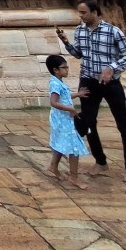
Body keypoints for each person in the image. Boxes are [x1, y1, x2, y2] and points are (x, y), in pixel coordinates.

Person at [56, 0, 126, 183]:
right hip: (88, 80)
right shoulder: (80, 31)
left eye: (83, 12)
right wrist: (66, 42)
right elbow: (79, 54)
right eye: (79, 12)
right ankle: (100, 161)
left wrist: (112, 67)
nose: (81, 16)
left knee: (122, 124)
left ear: (94, 12)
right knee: (88, 121)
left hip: (110, 82)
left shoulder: (113, 31)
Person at [45, 55, 90, 189]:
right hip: (63, 120)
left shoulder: (59, 82)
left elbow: (64, 96)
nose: (67, 70)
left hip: (63, 119)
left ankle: (53, 167)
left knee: (61, 143)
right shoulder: (55, 83)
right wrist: (70, 109)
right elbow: (53, 102)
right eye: (64, 67)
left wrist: (77, 94)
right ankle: (73, 177)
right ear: (55, 70)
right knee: (74, 147)